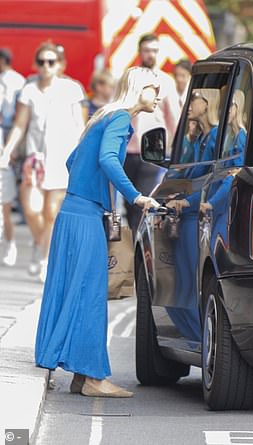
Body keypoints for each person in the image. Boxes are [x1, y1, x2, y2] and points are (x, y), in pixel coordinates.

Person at [35, 66, 161, 398]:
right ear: (138, 88)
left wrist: (88, 188)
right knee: (90, 296)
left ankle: (80, 375)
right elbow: (107, 158)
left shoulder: (104, 115)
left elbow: (73, 160)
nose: (158, 95)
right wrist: (135, 196)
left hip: (72, 212)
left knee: (73, 291)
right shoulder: (121, 119)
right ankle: (92, 378)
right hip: (86, 216)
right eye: (153, 88)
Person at [0, 42, 87, 281]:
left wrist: (83, 154)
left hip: (62, 159)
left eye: (51, 62)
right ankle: (41, 245)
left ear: (60, 65)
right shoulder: (29, 91)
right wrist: (7, 151)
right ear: (35, 64)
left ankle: (47, 258)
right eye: (41, 62)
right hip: (35, 160)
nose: (46, 66)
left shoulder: (72, 89)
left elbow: (81, 125)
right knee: (31, 208)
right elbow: (20, 125)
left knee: (50, 213)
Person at [124, 33, 180, 237]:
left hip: (153, 151)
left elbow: (174, 117)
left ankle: (140, 244)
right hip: (128, 149)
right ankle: (131, 246)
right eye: (147, 50)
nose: (150, 54)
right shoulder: (130, 77)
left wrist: (175, 150)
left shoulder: (166, 82)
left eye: (154, 50)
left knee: (144, 201)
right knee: (129, 204)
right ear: (140, 52)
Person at [0, 47, 25, 267]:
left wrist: (13, 148)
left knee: (5, 203)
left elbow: (18, 118)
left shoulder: (16, 82)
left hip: (5, 143)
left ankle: (10, 243)